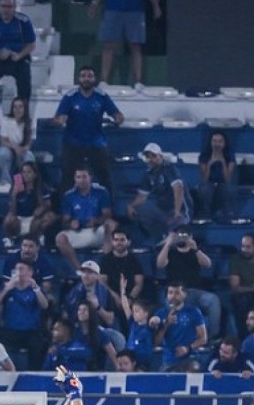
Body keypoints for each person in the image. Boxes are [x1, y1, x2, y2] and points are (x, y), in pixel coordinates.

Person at [54, 66, 123, 196]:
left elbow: (117, 115)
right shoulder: (70, 97)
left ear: (94, 79)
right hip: (73, 143)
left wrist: (118, 118)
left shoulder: (101, 96)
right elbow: (57, 118)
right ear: (79, 78)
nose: (86, 79)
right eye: (83, 76)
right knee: (67, 179)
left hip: (96, 142)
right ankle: (64, 212)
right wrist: (60, 120)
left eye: (89, 76)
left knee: (105, 178)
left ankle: (108, 210)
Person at [155, 229, 220, 337]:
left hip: (194, 291)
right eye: (179, 236)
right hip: (175, 292)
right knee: (171, 305)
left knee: (213, 300)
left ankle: (212, 336)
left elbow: (208, 264)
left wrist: (195, 249)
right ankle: (174, 336)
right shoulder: (170, 253)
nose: (181, 238)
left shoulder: (195, 253)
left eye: (184, 236)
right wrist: (168, 243)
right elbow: (160, 264)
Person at [0, 0, 36, 121]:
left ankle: (22, 114)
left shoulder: (23, 21)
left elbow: (31, 44)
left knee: (25, 81)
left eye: (10, 6)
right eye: (3, 6)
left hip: (17, 57)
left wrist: (20, 55)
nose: (6, 10)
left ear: (15, 7)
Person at [0, 260, 49, 370]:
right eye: (16, 269)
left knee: (39, 344)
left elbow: (44, 305)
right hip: (10, 330)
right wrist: (6, 289)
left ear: (30, 273)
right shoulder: (7, 288)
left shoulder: (35, 288)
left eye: (21, 269)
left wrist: (36, 288)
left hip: (30, 332)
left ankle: (33, 375)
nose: (18, 272)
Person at [55, 167, 116, 272]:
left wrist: (97, 221)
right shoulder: (68, 196)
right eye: (78, 177)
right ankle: (80, 270)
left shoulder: (101, 192)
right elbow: (64, 222)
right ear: (74, 179)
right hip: (78, 232)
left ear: (90, 178)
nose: (82, 180)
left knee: (111, 224)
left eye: (84, 177)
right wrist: (71, 224)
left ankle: (105, 264)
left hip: (96, 231)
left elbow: (107, 215)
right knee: (60, 238)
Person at [128, 142, 190, 243]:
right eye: (148, 156)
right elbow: (142, 196)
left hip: (179, 210)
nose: (150, 159)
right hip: (163, 209)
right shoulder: (149, 174)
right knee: (139, 209)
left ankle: (173, 241)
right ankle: (159, 237)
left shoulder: (169, 168)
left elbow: (178, 188)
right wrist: (131, 206)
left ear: (160, 156)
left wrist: (177, 211)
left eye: (153, 156)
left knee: (179, 231)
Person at [90, 0, 157, 90]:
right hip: (113, 8)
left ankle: (138, 82)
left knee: (136, 46)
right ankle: (104, 81)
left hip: (135, 10)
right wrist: (94, 4)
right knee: (108, 45)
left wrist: (156, 6)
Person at [149, 280, 207, 372]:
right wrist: (167, 323)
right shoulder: (161, 313)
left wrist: (188, 348)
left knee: (194, 369)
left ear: (184, 294)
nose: (173, 296)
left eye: (177, 293)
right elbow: (156, 342)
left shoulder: (194, 311)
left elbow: (203, 338)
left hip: (190, 358)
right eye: (170, 293)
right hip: (169, 360)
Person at [3, 161, 56, 245]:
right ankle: (11, 240)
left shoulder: (42, 186)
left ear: (35, 174)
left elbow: (48, 204)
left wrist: (41, 209)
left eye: (29, 172)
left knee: (50, 216)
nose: (25, 175)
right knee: (8, 219)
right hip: (19, 218)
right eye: (23, 172)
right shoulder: (16, 185)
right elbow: (12, 210)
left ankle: (38, 238)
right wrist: (14, 195)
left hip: (35, 218)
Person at [196, 131, 236, 220]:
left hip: (223, 183)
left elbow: (228, 179)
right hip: (209, 183)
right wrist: (210, 163)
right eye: (214, 141)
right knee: (205, 190)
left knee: (229, 189)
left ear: (224, 143)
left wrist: (222, 162)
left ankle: (227, 216)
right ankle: (206, 215)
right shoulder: (204, 156)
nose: (217, 144)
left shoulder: (230, 156)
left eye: (220, 141)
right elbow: (204, 179)